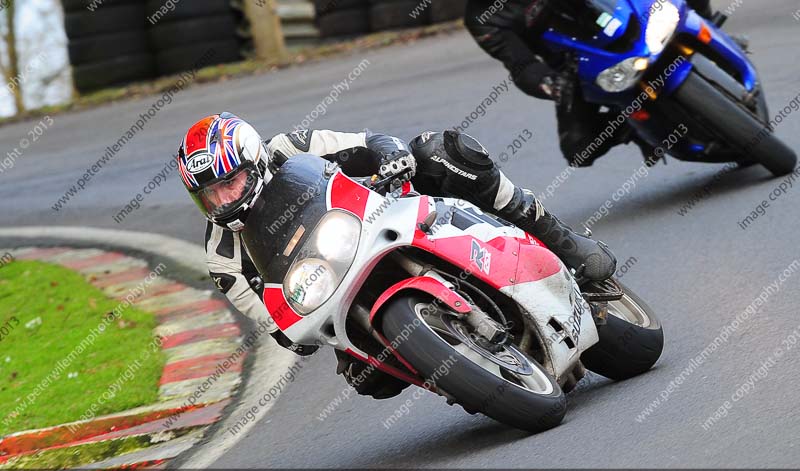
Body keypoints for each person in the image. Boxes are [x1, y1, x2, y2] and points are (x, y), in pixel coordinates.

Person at [177, 113, 616, 398]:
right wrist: (292, 328)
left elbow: (367, 141)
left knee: (443, 152)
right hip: (332, 287)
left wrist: (390, 158)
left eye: (229, 183)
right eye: (209, 195)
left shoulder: (290, 147)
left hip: (380, 211)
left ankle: (560, 241)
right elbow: (275, 324)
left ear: (254, 161)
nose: (223, 199)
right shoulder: (221, 256)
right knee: (368, 378)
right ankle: (465, 373)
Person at [464, 0, 715, 166]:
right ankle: (634, 127)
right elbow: (521, 65)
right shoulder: (482, 18)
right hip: (579, 67)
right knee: (578, 148)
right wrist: (551, 84)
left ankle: (707, 27)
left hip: (630, 15)